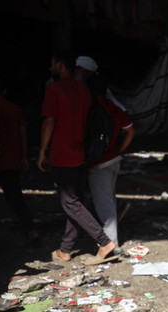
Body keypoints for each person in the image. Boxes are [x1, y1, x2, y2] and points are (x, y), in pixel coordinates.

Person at [38, 51, 118, 265]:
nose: (50, 68)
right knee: (75, 202)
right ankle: (65, 249)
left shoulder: (53, 88)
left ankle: (104, 241)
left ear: (61, 66)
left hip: (62, 154)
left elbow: (49, 122)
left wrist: (41, 151)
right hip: (81, 154)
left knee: (70, 203)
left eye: (52, 64)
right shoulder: (84, 89)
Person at [86, 74, 136, 254]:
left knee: (105, 206)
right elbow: (131, 131)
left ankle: (110, 245)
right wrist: (118, 149)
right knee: (108, 201)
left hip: (100, 163)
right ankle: (109, 241)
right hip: (115, 160)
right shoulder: (114, 108)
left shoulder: (92, 109)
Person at [0, 77, 38, 240]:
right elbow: (23, 133)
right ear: (5, 92)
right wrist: (24, 156)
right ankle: (31, 230)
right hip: (11, 160)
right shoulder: (14, 108)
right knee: (15, 196)